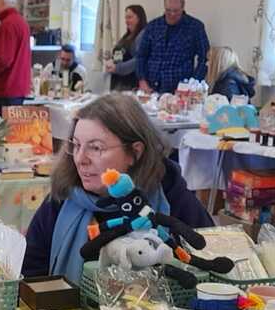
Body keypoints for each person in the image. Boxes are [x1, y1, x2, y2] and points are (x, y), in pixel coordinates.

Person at [22, 94, 211, 284]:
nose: (80, 159)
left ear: (135, 153)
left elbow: (209, 255)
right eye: (76, 145)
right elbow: (32, 272)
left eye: (95, 148)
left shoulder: (170, 195)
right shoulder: (63, 199)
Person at [136, 0, 210, 94]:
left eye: (176, 11)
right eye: (168, 10)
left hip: (180, 90)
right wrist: (142, 80)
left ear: (183, 7)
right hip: (151, 88)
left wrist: (192, 84)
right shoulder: (153, 26)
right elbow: (141, 55)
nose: (171, 14)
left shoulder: (195, 27)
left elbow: (205, 58)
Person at [107, 4, 147, 92]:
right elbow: (119, 55)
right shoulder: (127, 36)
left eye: (130, 17)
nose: (126, 21)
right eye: (126, 18)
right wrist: (112, 62)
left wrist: (118, 68)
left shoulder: (142, 36)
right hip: (118, 81)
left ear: (139, 18)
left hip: (130, 83)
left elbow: (138, 60)